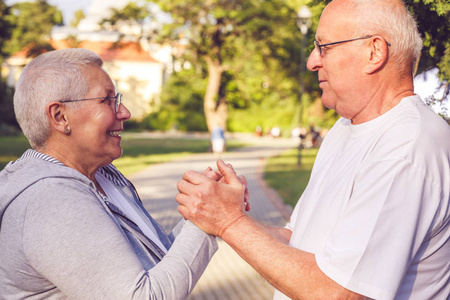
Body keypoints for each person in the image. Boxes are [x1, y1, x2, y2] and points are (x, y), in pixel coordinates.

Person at [175, 0, 450, 299]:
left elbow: (339, 293)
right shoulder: (345, 127)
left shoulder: (406, 147)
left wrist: (230, 222)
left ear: (374, 52)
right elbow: (297, 239)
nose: (311, 61)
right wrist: (230, 212)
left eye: (323, 47)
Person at [0, 48, 217, 299]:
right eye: (107, 100)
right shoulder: (49, 200)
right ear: (60, 117)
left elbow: (158, 260)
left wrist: (205, 208)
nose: (124, 112)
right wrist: (209, 218)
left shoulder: (103, 177)